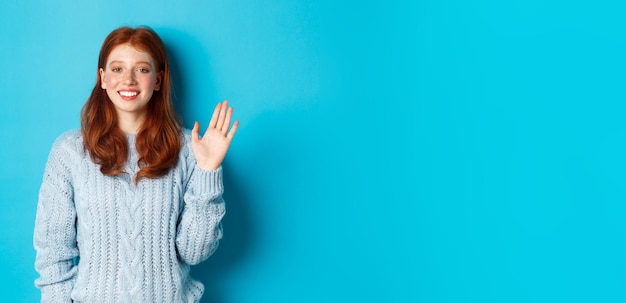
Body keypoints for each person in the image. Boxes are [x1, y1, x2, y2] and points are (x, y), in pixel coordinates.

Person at [33, 26, 238, 302]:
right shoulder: (69, 151)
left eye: (142, 69)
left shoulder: (191, 148)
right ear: (103, 78)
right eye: (117, 69)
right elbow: (53, 253)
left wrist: (208, 170)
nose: (128, 80)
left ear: (157, 80)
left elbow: (194, 251)